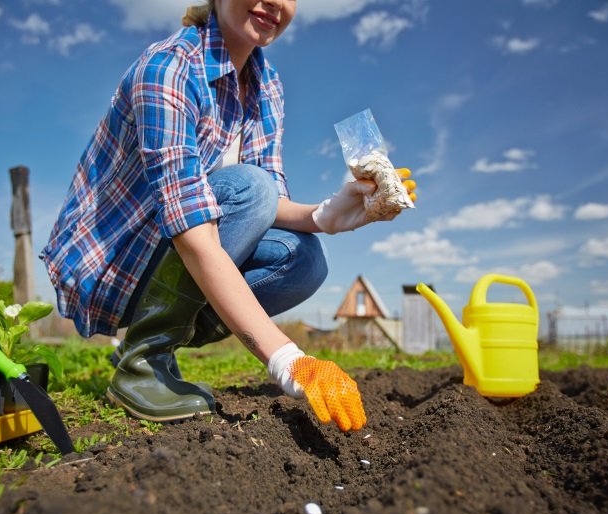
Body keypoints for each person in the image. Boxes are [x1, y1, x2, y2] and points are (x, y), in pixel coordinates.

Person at [41, 0, 416, 432]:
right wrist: (287, 359)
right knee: (249, 186)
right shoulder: (170, 68)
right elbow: (198, 228)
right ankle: (142, 361)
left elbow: (266, 204)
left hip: (178, 249)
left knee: (304, 259)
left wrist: (329, 214)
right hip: (110, 266)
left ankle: (152, 344)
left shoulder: (265, 83)